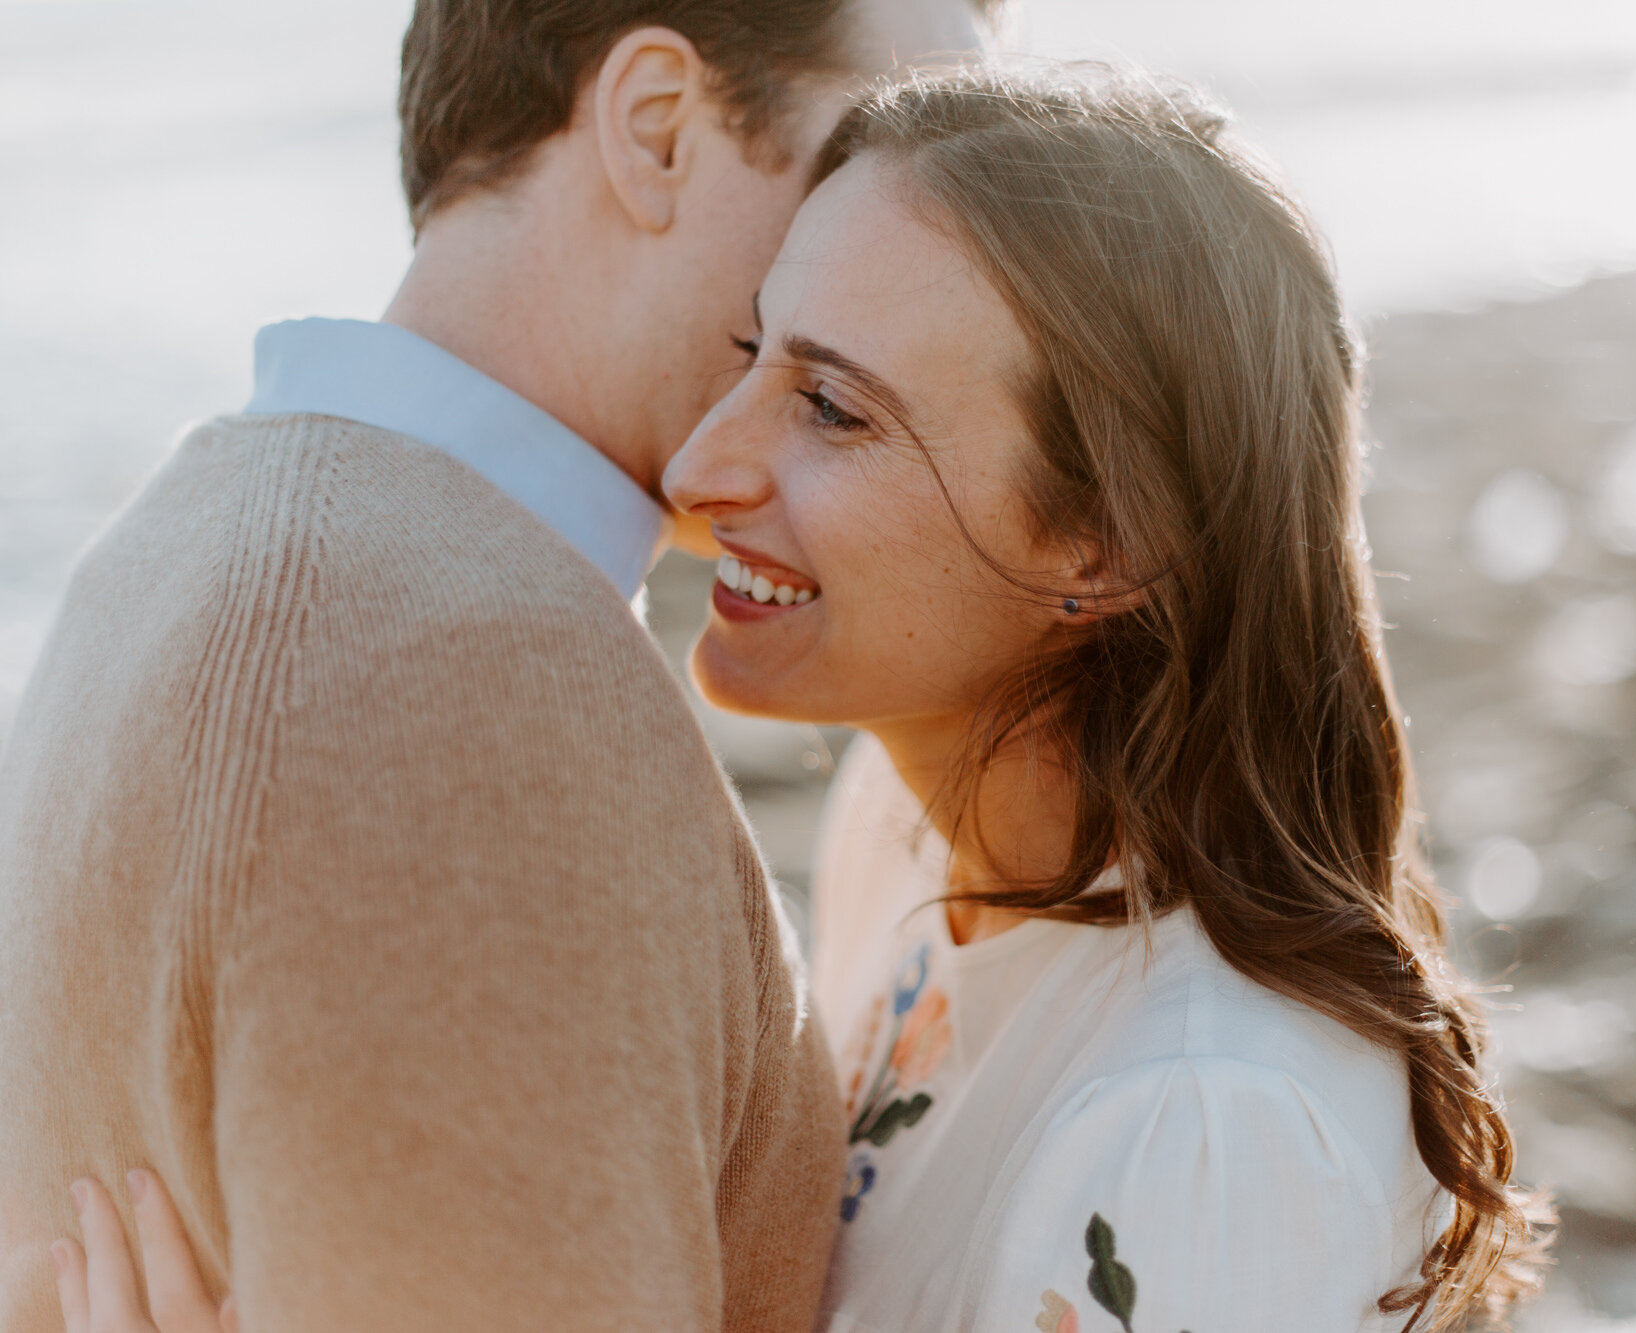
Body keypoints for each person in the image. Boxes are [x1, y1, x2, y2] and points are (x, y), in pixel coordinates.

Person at [53, 64, 1551, 1333]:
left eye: (831, 408)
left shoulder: (1207, 1121)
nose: (701, 467)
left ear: (1108, 539)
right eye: (751, 350)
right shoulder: (897, 837)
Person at [0, 3, 991, 1332]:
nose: (941, 264)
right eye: (871, 159)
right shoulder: (469, 706)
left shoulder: (157, 557)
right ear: (655, 131)